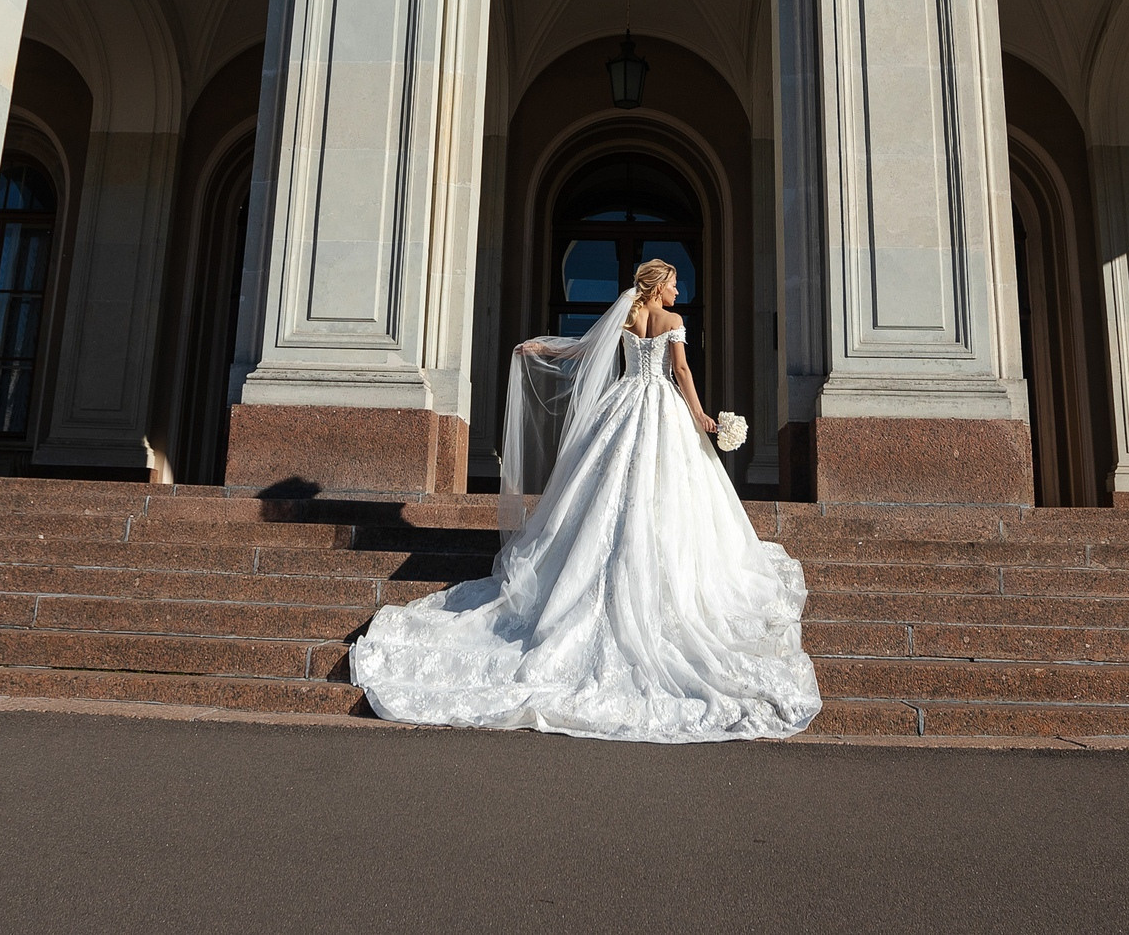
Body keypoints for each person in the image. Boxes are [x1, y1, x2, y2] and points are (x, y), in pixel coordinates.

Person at [349, 258, 821, 742]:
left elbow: (584, 349)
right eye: (675, 284)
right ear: (659, 287)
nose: (680, 292)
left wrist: (540, 347)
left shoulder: (628, 316)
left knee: (606, 487)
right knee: (660, 490)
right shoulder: (672, 322)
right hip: (661, 406)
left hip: (623, 404)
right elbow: (679, 369)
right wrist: (700, 415)